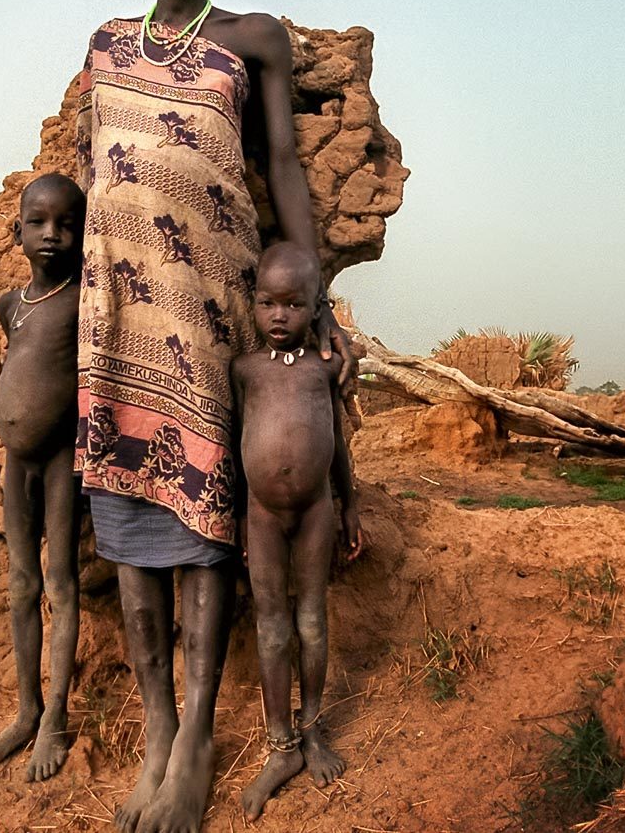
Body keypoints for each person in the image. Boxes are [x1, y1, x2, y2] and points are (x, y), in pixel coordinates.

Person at [74, 0, 357, 833]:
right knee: (125, 532)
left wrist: (317, 299)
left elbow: (279, 165)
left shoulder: (252, 40)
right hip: (116, 325)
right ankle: (158, 734)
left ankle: (195, 743)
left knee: (201, 528)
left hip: (204, 318)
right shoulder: (109, 45)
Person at [231, 242, 362, 820]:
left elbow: (338, 442)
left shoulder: (325, 370)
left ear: (316, 309)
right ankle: (279, 745)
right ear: (252, 303)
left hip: (315, 512)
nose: (278, 316)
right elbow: (236, 444)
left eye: (293, 304)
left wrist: (349, 505)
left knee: (311, 618)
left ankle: (311, 733)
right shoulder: (244, 370)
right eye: (266, 303)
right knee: (272, 627)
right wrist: (235, 511)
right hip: (260, 514)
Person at [0, 173, 85, 782]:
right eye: (38, 223)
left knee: (60, 584)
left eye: (67, 224)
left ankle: (56, 718)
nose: (52, 235)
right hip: (18, 464)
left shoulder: (81, 300)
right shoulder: (10, 305)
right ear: (17, 231)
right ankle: (25, 710)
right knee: (20, 584)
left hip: (62, 459)